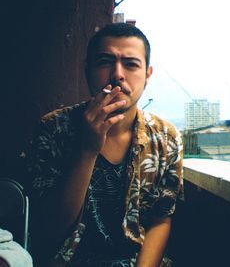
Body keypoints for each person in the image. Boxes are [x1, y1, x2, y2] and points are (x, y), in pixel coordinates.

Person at [27, 23, 183, 267]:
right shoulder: (53, 128)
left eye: (131, 64)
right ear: (87, 69)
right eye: (104, 61)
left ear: (148, 74)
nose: (118, 74)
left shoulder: (165, 137)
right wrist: (88, 149)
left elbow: (161, 218)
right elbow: (50, 228)